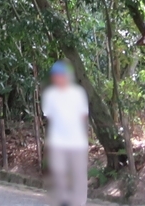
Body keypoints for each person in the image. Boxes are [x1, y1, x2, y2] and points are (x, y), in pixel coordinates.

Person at [41, 61, 90, 206]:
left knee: (78, 174)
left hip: (77, 141)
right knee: (58, 172)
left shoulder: (78, 93)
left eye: (62, 75)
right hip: (58, 142)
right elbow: (49, 115)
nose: (59, 78)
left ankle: (79, 203)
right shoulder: (50, 94)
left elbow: (83, 115)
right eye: (56, 76)